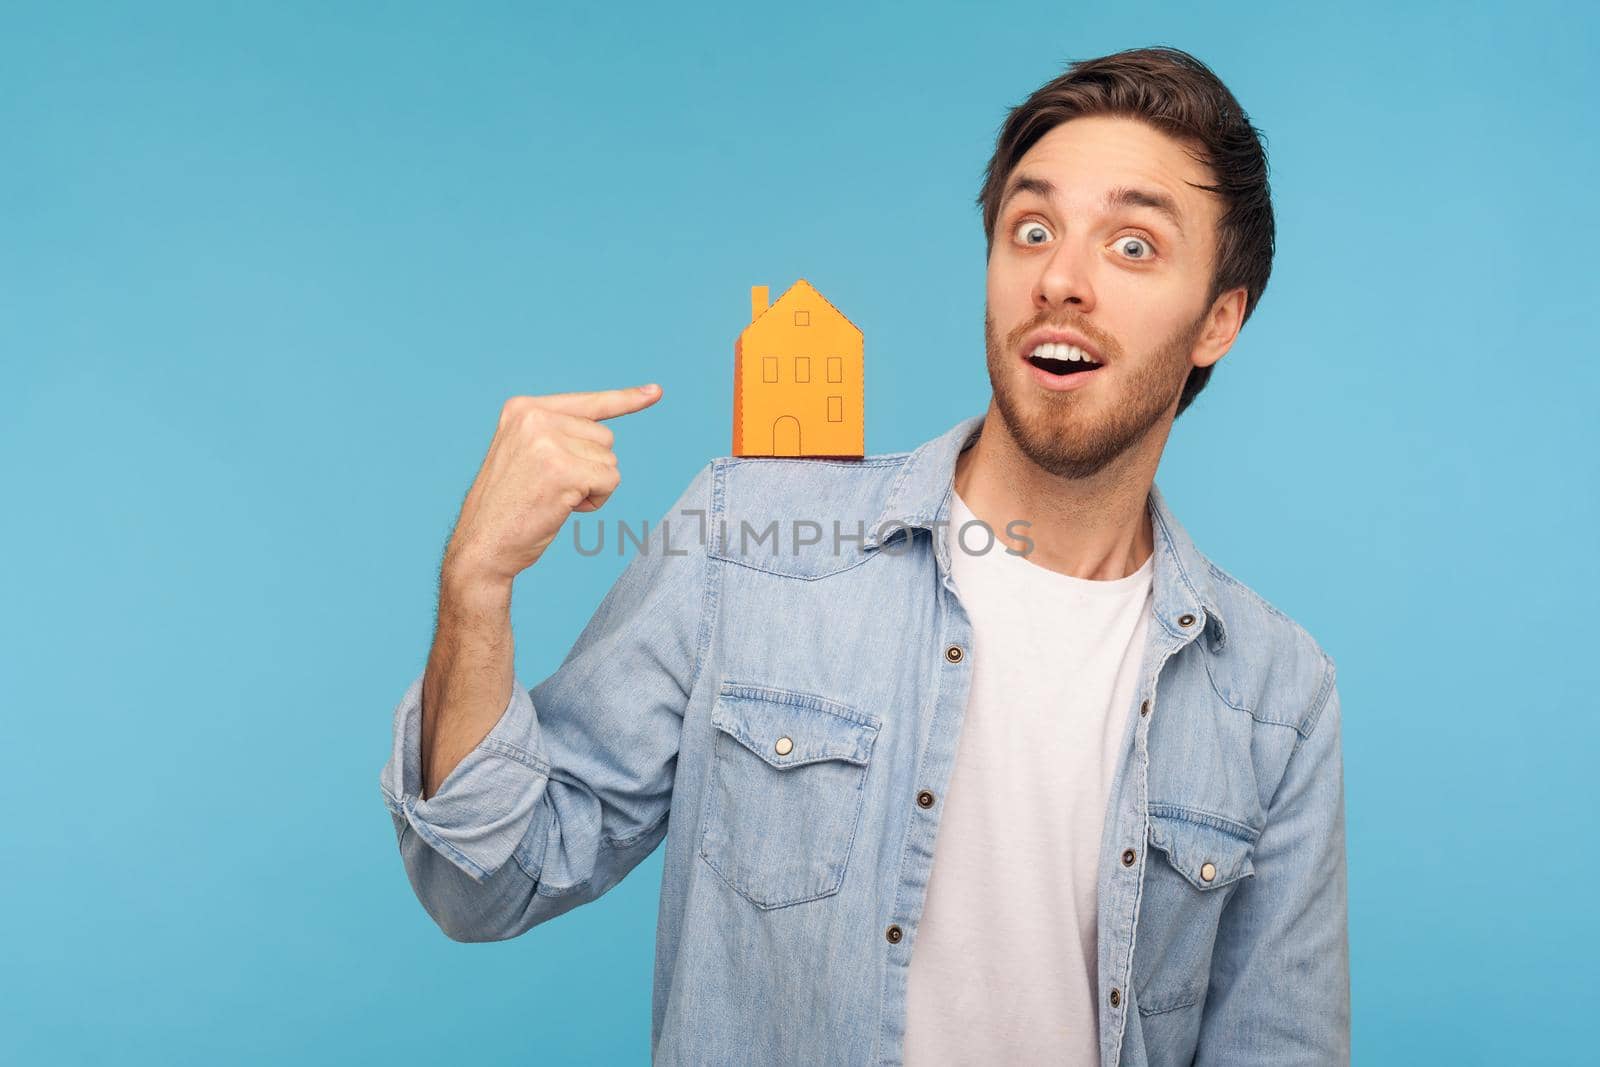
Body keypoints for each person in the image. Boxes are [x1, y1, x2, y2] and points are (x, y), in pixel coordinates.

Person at [379, 44, 1349, 1067]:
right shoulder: (747, 539)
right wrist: (473, 586)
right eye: (1031, 229)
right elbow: (483, 878)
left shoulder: (1277, 695)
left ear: (1218, 320)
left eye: (1134, 247)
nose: (1061, 278)